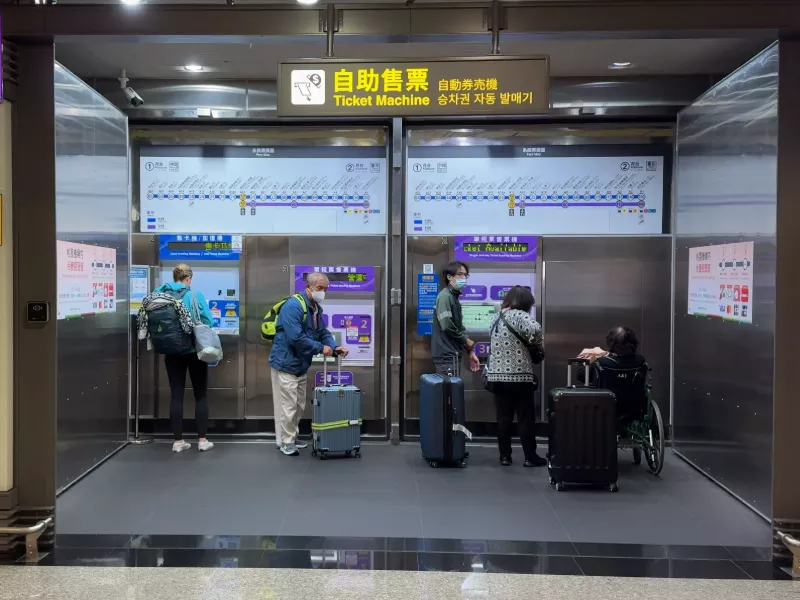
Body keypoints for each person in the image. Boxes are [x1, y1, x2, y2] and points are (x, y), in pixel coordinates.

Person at [269, 272, 349, 457]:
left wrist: (334, 347)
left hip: (300, 364)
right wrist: (321, 349)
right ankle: (285, 442)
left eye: (325, 289)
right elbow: (296, 337)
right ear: (309, 287)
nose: (323, 292)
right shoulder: (293, 306)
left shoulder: (314, 308)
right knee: (287, 406)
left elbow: (322, 332)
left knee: (298, 405)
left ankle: (292, 436)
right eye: (320, 288)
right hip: (285, 363)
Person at [154, 263, 215, 454]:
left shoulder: (159, 294)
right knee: (200, 395)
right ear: (188, 279)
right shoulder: (194, 295)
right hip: (193, 351)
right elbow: (208, 321)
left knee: (176, 395)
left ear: (174, 278)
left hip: (171, 352)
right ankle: (202, 440)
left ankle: (178, 441)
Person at [484, 285, 546, 467]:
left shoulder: (496, 317)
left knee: (503, 419)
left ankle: (505, 456)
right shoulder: (520, 315)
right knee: (525, 418)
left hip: (496, 377)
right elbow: (535, 330)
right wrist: (534, 342)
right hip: (519, 377)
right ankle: (530, 457)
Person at [431, 261, 480, 376]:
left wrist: (470, 350)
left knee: (452, 390)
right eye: (460, 274)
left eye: (465, 275)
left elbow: (459, 326)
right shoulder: (445, 297)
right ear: (449, 277)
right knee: (449, 392)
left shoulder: (453, 297)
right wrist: (465, 340)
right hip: (446, 355)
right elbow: (447, 325)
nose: (463, 277)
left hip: (452, 354)